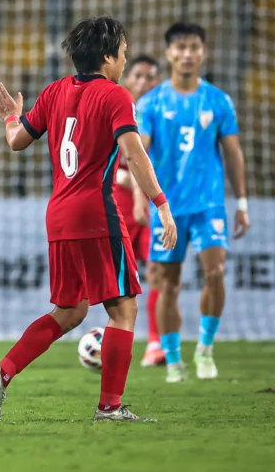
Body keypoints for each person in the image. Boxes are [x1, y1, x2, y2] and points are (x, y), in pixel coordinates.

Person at [0, 15, 177, 423]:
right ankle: (110, 407)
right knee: (123, 309)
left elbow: (16, 141)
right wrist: (160, 204)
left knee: (70, 310)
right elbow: (134, 154)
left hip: (59, 213)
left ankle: (2, 373)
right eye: (122, 52)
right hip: (95, 211)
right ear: (107, 56)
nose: (123, 59)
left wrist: (12, 114)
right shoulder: (116, 96)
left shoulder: (54, 92)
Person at [133, 22, 249, 383]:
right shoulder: (151, 102)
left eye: (194, 47)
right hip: (166, 209)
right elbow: (139, 154)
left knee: (215, 272)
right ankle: (172, 358)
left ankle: (205, 348)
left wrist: (241, 201)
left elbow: (233, 154)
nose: (187, 54)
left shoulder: (218, 100)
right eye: (180, 47)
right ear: (168, 53)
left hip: (208, 204)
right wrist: (141, 198)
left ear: (203, 52)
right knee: (168, 284)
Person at [110, 54, 163, 366]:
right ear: (129, 79)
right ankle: (108, 336)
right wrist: (127, 180)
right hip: (121, 207)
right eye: (139, 76)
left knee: (158, 274)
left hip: (152, 209)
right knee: (115, 280)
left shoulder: (160, 113)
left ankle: (155, 343)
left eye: (151, 77)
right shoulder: (118, 108)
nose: (144, 82)